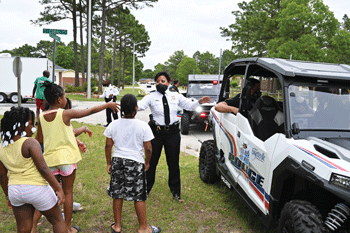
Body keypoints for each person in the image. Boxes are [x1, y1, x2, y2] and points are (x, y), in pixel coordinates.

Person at [35, 81, 119, 233]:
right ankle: (67, 228)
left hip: (49, 161)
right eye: (65, 96)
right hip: (66, 160)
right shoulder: (65, 113)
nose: (66, 99)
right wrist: (107, 105)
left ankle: (41, 226)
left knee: (51, 193)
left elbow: (39, 140)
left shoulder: (41, 117)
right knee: (68, 192)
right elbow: (89, 111)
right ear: (60, 99)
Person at [138, 71, 211, 201]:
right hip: (156, 134)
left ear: (169, 83)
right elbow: (140, 106)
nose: (160, 83)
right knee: (151, 162)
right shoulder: (150, 96)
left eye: (163, 81)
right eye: (158, 81)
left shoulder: (175, 95)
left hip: (172, 134)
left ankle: (176, 192)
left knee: (173, 164)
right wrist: (127, 105)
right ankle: (145, 190)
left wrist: (199, 101)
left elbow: (188, 104)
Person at [0, 107, 67, 233]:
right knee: (57, 220)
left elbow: (2, 176)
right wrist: (58, 188)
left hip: (15, 190)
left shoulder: (1, 147)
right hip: (37, 189)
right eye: (31, 124)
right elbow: (43, 168)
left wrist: (8, 195)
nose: (33, 128)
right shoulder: (30, 143)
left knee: (24, 228)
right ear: (21, 127)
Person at [104, 94, 161, 233]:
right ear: (136, 108)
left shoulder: (113, 124)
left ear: (121, 109)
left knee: (117, 194)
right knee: (139, 196)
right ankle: (143, 227)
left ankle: (117, 226)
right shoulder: (143, 126)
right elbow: (148, 148)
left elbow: (108, 146)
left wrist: (109, 163)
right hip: (136, 163)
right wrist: (147, 162)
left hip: (117, 161)